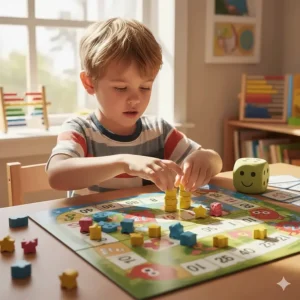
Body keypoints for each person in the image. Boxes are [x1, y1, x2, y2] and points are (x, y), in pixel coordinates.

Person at [46, 18, 222, 197]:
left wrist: (205, 159)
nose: (135, 99)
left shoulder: (159, 131)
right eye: (121, 88)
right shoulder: (80, 130)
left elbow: (215, 161)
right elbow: (56, 175)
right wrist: (124, 163)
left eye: (145, 87)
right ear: (89, 82)